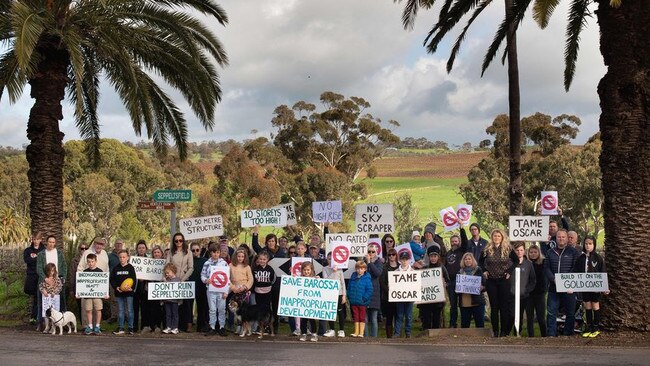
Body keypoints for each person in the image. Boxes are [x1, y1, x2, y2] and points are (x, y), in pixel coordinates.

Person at [478, 229, 515, 337]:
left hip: (504, 281)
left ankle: (503, 331)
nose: (497, 238)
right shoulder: (487, 249)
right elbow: (480, 261)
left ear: (502, 237)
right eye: (495, 236)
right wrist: (484, 270)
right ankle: (495, 331)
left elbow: (516, 261)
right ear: (492, 237)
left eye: (499, 236)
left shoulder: (508, 248)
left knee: (504, 307)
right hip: (491, 281)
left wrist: (509, 271)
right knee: (494, 307)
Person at [544, 229, 579, 336]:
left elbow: (576, 268)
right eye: (559, 237)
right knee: (551, 313)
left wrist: (566, 280)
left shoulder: (573, 252)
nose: (561, 239)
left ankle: (568, 334)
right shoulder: (550, 252)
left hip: (569, 288)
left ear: (567, 238)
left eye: (563, 237)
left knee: (570, 313)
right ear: (556, 238)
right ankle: (551, 334)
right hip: (553, 288)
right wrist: (553, 279)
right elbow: (546, 268)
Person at [575, 235, 607, 338]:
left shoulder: (598, 258)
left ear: (594, 244)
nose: (588, 246)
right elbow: (576, 272)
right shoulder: (581, 258)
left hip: (595, 287)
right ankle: (589, 327)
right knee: (587, 305)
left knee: (595, 305)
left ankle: (596, 327)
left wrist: (605, 287)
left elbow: (603, 272)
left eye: (590, 244)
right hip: (585, 286)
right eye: (586, 244)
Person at [36, 235, 67, 329]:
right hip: (44, 281)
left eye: (53, 242)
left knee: (60, 303)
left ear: (55, 243)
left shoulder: (59, 253)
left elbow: (64, 266)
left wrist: (63, 278)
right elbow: (39, 268)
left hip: (57, 282)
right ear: (46, 242)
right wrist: (45, 278)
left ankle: (62, 323)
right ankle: (42, 324)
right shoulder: (41, 254)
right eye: (50, 242)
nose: (51, 244)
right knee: (43, 304)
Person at [78, 237, 109, 325]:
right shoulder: (87, 253)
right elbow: (80, 269)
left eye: (101, 244)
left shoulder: (105, 254)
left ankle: (96, 326)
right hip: (87, 286)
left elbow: (106, 270)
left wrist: (105, 288)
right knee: (86, 308)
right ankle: (86, 326)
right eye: (97, 244)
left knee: (97, 308)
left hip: (99, 287)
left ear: (103, 246)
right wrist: (81, 286)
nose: (99, 246)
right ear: (94, 244)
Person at [508, 242, 536, 336]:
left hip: (524, 295)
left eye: (521, 250)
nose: (519, 252)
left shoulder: (528, 264)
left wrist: (527, 290)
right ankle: (508, 332)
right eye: (517, 250)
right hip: (511, 295)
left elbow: (532, 279)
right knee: (512, 315)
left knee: (521, 315)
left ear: (524, 251)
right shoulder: (510, 263)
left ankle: (518, 333)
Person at [167, 233, 193, 332]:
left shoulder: (188, 252)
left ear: (183, 241)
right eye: (176, 241)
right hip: (172, 281)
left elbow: (191, 268)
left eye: (180, 240)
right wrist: (167, 279)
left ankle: (185, 325)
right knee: (173, 305)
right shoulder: (170, 252)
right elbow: (167, 265)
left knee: (185, 305)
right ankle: (173, 326)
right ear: (174, 242)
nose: (178, 242)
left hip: (183, 280)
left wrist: (183, 279)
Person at [201, 244, 229, 336]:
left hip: (221, 290)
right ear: (210, 253)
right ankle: (212, 327)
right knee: (212, 309)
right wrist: (206, 280)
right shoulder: (207, 263)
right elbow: (203, 275)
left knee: (222, 309)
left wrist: (226, 291)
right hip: (211, 290)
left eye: (217, 252)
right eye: (213, 252)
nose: (216, 254)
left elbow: (227, 278)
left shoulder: (224, 263)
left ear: (220, 253)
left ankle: (222, 327)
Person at [78, 253, 108, 335]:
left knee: (98, 310)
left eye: (92, 261)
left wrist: (105, 293)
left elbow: (103, 284)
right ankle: (90, 326)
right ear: (87, 262)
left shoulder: (100, 271)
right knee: (88, 310)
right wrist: (79, 293)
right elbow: (81, 284)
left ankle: (97, 326)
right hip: (87, 296)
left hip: (97, 295)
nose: (91, 263)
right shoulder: (84, 272)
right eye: (89, 262)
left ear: (96, 261)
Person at [421, 246, 450, 330]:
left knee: (436, 317)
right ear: (429, 257)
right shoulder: (425, 268)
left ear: (438, 257)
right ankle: (425, 332)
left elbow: (448, 281)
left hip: (438, 299)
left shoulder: (442, 268)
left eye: (435, 256)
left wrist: (445, 284)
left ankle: (435, 334)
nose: (433, 258)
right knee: (426, 317)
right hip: (427, 299)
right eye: (431, 256)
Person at [110, 249, 136, 335]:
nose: (122, 259)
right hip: (119, 292)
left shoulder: (131, 268)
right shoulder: (116, 268)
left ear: (127, 257)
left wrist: (131, 288)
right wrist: (116, 287)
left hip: (129, 293)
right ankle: (121, 327)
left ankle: (131, 328)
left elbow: (134, 279)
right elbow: (112, 279)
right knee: (120, 310)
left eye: (124, 257)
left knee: (129, 310)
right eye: (120, 257)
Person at [322, 252, 347, 338]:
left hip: (339, 294)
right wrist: (333, 271)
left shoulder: (340, 269)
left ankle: (341, 330)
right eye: (329, 259)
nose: (331, 260)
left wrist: (344, 295)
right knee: (330, 312)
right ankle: (332, 329)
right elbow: (326, 280)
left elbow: (343, 283)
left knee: (340, 312)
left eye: (332, 259)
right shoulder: (325, 269)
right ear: (327, 259)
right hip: (329, 294)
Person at [445, 233, 467, 328]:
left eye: (456, 241)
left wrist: (462, 228)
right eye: (452, 241)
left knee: (462, 304)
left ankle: (464, 324)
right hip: (450, 282)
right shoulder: (448, 253)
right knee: (453, 305)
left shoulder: (462, 250)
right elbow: (445, 267)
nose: (454, 243)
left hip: (461, 280)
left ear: (459, 242)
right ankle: (453, 324)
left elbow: (465, 241)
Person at [251, 252, 276, 337]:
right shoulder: (255, 269)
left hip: (267, 292)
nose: (262, 261)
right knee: (259, 310)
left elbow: (272, 279)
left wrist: (268, 286)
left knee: (267, 309)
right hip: (258, 292)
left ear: (267, 260)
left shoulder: (270, 269)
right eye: (260, 259)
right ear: (258, 259)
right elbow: (253, 280)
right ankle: (260, 326)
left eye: (264, 259)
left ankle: (267, 326)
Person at [458, 253, 485, 328]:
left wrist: (482, 287)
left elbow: (485, 284)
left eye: (469, 259)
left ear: (472, 260)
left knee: (480, 325)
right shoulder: (460, 272)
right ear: (463, 261)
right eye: (465, 259)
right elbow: (457, 287)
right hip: (465, 302)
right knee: (464, 325)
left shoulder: (478, 270)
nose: (467, 260)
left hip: (477, 301)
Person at [525, 244, 547, 337]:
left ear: (538, 252)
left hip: (540, 293)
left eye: (535, 252)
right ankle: (531, 337)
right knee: (529, 318)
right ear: (528, 253)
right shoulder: (526, 263)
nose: (533, 254)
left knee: (541, 317)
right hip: (529, 294)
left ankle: (544, 336)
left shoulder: (543, 262)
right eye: (531, 252)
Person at [347, 260, 373, 338]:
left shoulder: (367, 278)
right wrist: (349, 296)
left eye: (361, 269)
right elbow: (349, 287)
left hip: (362, 302)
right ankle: (356, 332)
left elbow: (370, 290)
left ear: (365, 269)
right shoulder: (353, 277)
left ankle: (361, 332)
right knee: (355, 316)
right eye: (358, 268)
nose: (359, 270)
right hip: (354, 301)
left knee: (362, 317)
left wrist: (364, 298)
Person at [23, 232, 44, 324]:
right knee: (32, 295)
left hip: (40, 276)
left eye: (37, 239)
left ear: (41, 239)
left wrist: (35, 259)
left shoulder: (44, 250)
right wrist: (37, 259)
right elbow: (27, 260)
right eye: (34, 239)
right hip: (31, 276)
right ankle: (33, 316)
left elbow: (44, 262)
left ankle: (37, 317)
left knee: (38, 297)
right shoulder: (28, 250)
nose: (36, 241)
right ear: (32, 239)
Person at [363, 244, 383, 337]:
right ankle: (366, 337)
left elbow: (377, 273)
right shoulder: (363, 261)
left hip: (374, 292)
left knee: (374, 318)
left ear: (376, 252)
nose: (371, 253)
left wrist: (370, 263)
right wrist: (366, 262)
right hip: (364, 291)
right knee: (365, 318)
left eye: (373, 251)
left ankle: (374, 338)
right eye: (369, 251)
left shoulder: (379, 262)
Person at [394, 251, 415, 338]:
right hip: (400, 297)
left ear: (409, 260)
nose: (404, 261)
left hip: (410, 297)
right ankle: (397, 333)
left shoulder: (413, 271)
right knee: (399, 315)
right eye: (403, 259)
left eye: (406, 259)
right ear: (400, 260)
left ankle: (408, 332)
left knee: (408, 316)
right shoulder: (396, 271)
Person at [379, 248, 399, 338]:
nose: (392, 256)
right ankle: (389, 337)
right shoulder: (384, 267)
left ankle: (397, 334)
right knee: (389, 317)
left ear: (396, 255)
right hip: (388, 297)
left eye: (393, 254)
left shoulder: (400, 266)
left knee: (398, 316)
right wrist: (389, 292)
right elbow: (382, 282)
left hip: (399, 296)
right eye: (390, 255)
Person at [298, 261, 320, 342]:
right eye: (304, 270)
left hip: (311, 303)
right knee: (303, 319)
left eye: (308, 270)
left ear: (311, 270)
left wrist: (318, 280)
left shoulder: (314, 279)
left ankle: (314, 334)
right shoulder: (299, 279)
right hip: (303, 303)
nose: (306, 272)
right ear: (302, 271)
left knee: (311, 319)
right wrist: (293, 278)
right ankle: (303, 334)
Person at [190, 242, 209, 332]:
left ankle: (200, 326)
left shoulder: (205, 261)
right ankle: (188, 324)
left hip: (201, 286)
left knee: (201, 307)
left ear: (200, 250)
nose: (195, 252)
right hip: (189, 286)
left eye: (197, 250)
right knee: (188, 307)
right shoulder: (188, 260)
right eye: (193, 250)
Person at [39, 263, 63, 332]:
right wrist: (43, 291)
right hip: (46, 298)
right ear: (47, 271)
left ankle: (53, 327)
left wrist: (54, 292)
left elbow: (60, 287)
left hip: (54, 298)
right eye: (50, 271)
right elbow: (41, 286)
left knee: (54, 313)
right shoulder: (44, 279)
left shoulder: (57, 279)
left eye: (53, 271)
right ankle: (47, 326)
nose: (51, 273)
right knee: (45, 312)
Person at [147, 246, 165, 333]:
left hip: (161, 288)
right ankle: (151, 325)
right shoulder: (149, 263)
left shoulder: (165, 263)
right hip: (151, 287)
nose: (156, 254)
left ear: (161, 253)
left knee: (159, 308)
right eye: (155, 252)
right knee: (151, 307)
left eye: (158, 252)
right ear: (153, 254)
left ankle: (158, 325)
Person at [68, 242, 87, 322]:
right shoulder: (74, 261)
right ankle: (83, 323)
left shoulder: (91, 259)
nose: (84, 250)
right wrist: (71, 289)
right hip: (78, 286)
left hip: (90, 286)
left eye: (86, 248)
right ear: (79, 249)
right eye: (82, 248)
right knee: (80, 306)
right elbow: (72, 275)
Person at [133, 239, 149, 332]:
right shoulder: (133, 260)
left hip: (145, 288)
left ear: (146, 249)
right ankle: (134, 327)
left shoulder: (149, 260)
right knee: (134, 308)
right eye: (140, 248)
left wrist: (145, 278)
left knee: (144, 308)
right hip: (135, 287)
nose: (141, 249)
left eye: (143, 248)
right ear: (137, 249)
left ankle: (144, 326)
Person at [161, 263, 181, 334]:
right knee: (168, 314)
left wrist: (180, 301)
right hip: (167, 301)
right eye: (166, 273)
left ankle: (175, 327)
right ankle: (168, 327)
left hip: (175, 301)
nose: (167, 274)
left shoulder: (178, 279)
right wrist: (164, 281)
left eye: (168, 273)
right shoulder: (166, 280)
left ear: (173, 271)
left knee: (175, 314)